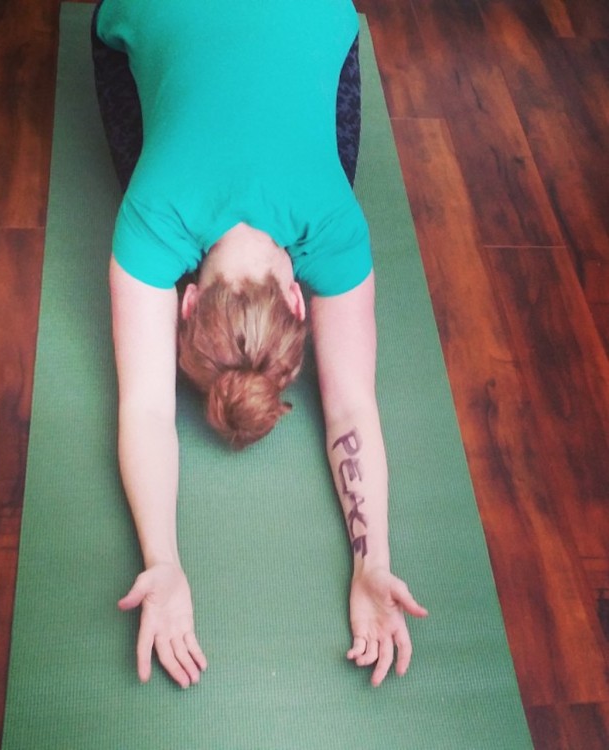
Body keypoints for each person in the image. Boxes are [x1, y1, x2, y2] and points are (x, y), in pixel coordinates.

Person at [91, 0, 428, 690]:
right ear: (187, 305)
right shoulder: (153, 214)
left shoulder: (332, 224)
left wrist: (377, 564)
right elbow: (148, 410)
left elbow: (350, 409)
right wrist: (161, 563)